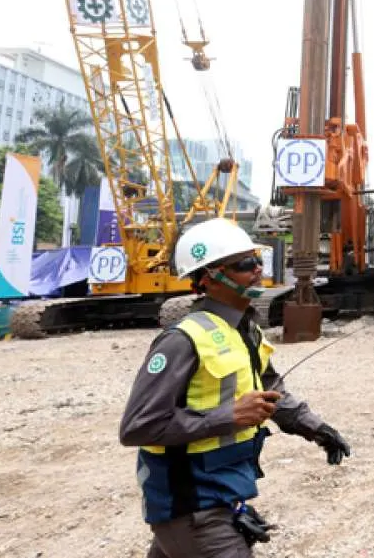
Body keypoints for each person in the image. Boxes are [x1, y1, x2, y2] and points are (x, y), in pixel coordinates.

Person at [119, 218, 350, 557]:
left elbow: (272, 390)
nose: (258, 269)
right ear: (210, 277)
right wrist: (229, 416)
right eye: (244, 264)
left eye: (258, 259)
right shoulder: (182, 341)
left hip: (219, 494)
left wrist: (315, 428)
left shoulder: (246, 332)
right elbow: (137, 427)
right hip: (192, 506)